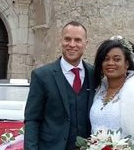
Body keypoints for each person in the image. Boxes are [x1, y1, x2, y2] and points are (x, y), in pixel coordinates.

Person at [24, 21, 95, 150]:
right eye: (67, 39)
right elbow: (32, 120)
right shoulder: (42, 76)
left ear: (86, 44)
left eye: (78, 40)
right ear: (60, 41)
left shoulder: (94, 74)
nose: (72, 44)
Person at [89, 36, 134, 150]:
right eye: (106, 59)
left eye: (117, 59)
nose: (110, 63)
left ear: (127, 63)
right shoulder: (98, 92)